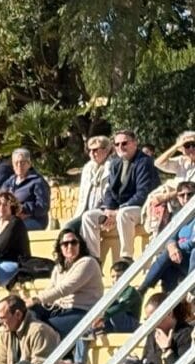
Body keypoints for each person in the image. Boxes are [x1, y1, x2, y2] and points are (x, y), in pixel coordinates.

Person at [81, 129, 160, 260]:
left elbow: (143, 193)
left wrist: (118, 211)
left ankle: (126, 257)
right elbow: (110, 191)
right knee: (88, 217)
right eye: (117, 144)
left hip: (143, 207)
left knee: (124, 213)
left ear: (135, 143)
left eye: (124, 143)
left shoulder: (144, 162)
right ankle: (93, 260)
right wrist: (108, 210)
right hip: (120, 209)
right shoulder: (115, 163)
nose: (120, 147)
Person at [29, 228, 104, 343]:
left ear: (80, 244)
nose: (70, 246)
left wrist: (36, 299)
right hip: (59, 309)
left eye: (73, 242)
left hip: (82, 311)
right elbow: (50, 289)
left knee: (45, 329)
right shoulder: (59, 267)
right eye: (65, 244)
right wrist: (29, 303)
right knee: (25, 315)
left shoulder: (88, 263)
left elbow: (65, 289)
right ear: (60, 247)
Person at [138, 182, 194, 294]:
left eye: (190, 194)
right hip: (181, 259)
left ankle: (192, 289)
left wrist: (177, 247)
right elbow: (170, 237)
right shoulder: (178, 216)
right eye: (182, 195)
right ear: (177, 197)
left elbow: (193, 243)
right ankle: (151, 293)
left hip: (192, 259)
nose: (186, 198)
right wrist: (172, 246)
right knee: (168, 268)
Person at [141, 294, 193, 364]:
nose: (151, 324)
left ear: (169, 313)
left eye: (154, 319)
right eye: (148, 320)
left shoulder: (186, 334)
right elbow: (146, 361)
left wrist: (167, 350)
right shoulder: (152, 334)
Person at [0, 191, 31, 288]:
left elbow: (2, 248)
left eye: (5, 205)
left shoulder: (16, 223)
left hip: (16, 263)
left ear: (11, 207)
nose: (1, 207)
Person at [0, 148, 50, 230]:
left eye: (22, 162)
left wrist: (23, 209)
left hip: (34, 219)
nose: (19, 165)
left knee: (11, 228)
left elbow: (43, 206)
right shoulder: (10, 181)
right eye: (16, 163)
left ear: (29, 164)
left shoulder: (37, 182)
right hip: (12, 217)